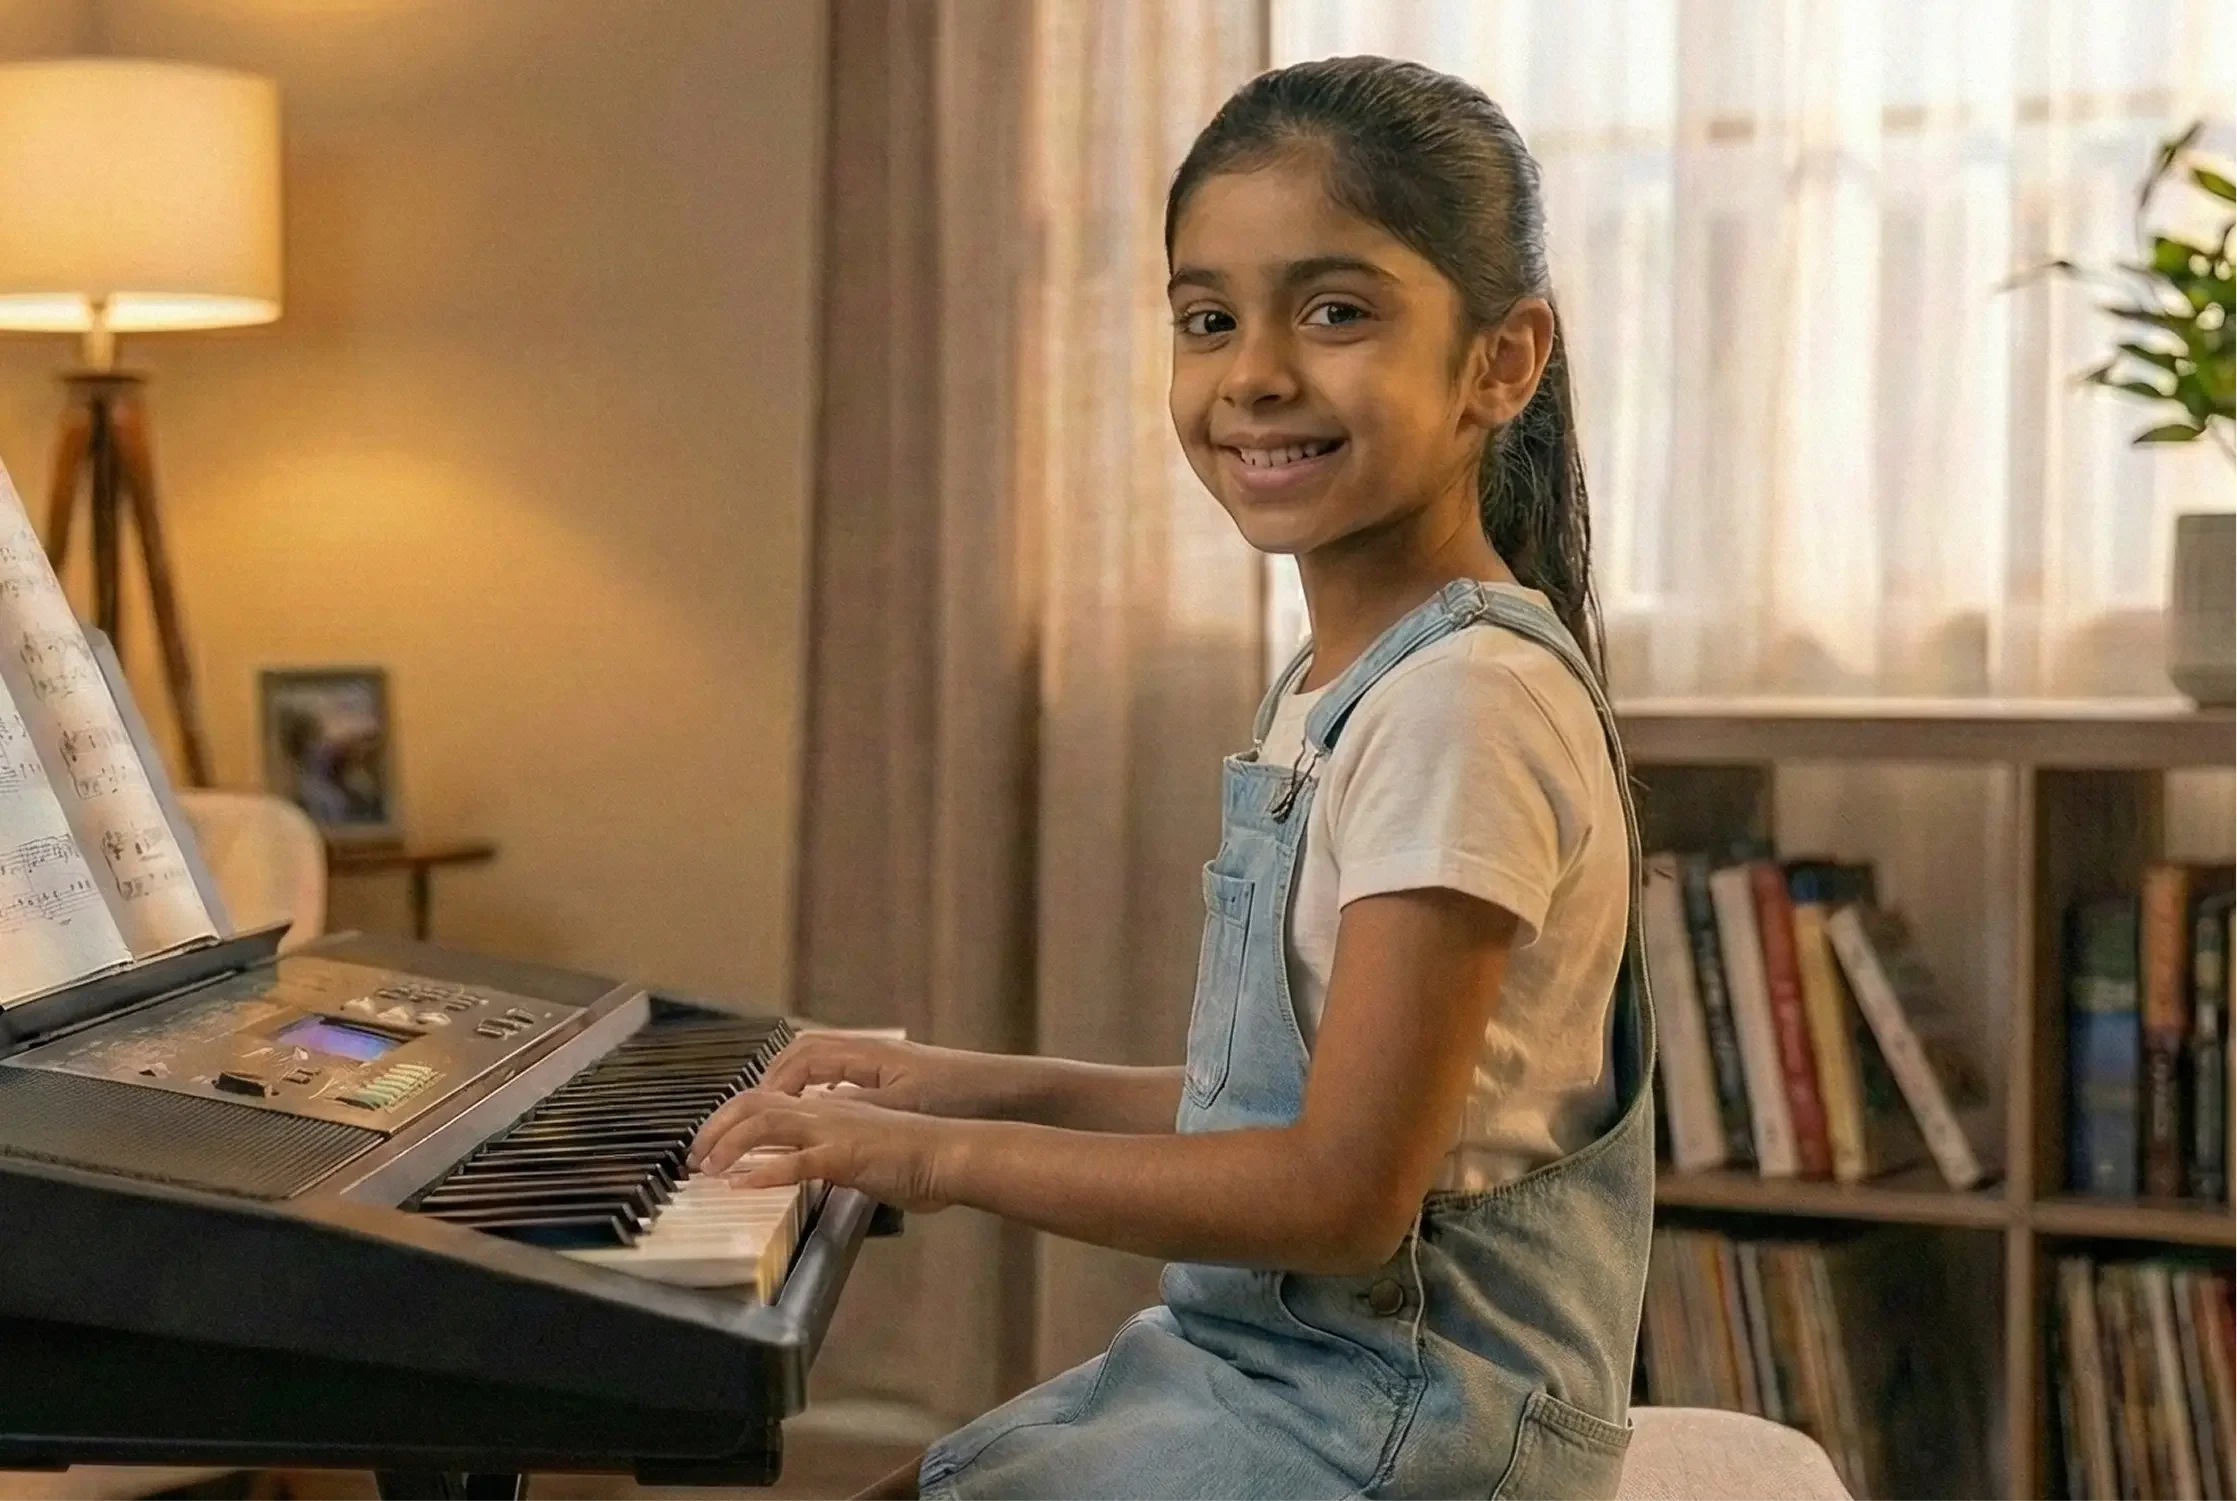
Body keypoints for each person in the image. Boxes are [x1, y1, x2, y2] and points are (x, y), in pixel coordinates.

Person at [692, 54, 1655, 1501]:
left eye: (1335, 312)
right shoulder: (1353, 682)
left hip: (1389, 1431)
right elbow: (1278, 1118)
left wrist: (924, 1153)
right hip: (1280, 1383)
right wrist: (959, 1083)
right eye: (1208, 319)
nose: (1254, 373)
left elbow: (1335, 1196)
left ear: (1500, 361)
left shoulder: (1464, 702)